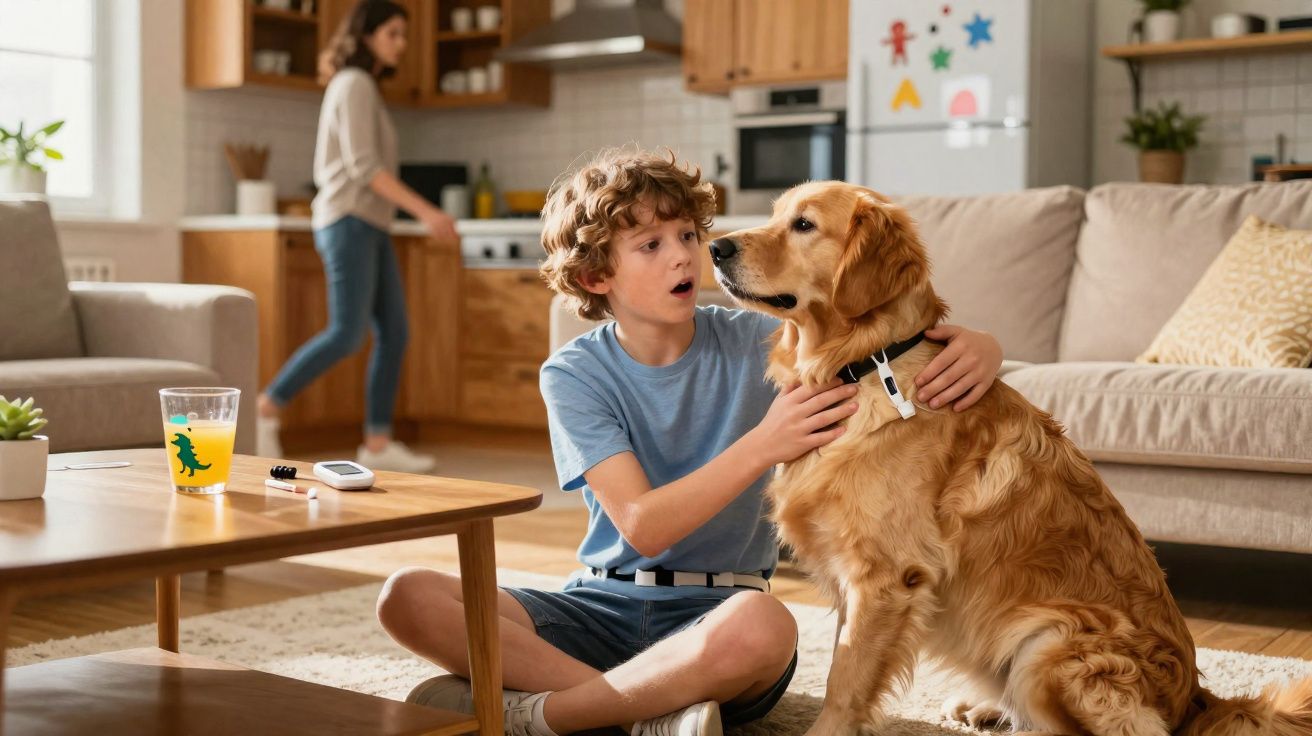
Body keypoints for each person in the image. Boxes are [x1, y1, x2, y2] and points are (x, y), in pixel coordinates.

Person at [374, 149, 1004, 735]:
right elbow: (643, 527)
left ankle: (544, 714)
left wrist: (984, 346)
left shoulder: (764, 341)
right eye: (651, 245)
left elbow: (880, 349)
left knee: (766, 624)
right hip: (599, 605)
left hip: (720, 615)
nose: (683, 257)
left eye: (686, 236)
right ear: (595, 276)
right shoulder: (573, 374)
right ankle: (646, 712)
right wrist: (764, 444)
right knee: (407, 595)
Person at [255, 0, 457, 473]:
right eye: (392, 33)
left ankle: (378, 446)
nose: (401, 44)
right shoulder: (354, 83)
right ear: (365, 36)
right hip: (347, 221)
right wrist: (427, 212)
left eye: (403, 34)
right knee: (347, 334)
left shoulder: (363, 86)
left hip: (369, 223)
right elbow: (365, 168)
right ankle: (266, 408)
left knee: (395, 332)